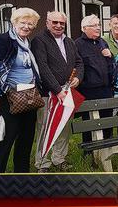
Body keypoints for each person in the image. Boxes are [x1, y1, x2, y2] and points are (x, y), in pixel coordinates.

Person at [0, 7, 41, 173]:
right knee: (7, 138)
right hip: (9, 97)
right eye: (23, 23)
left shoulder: (27, 42)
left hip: (29, 95)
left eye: (30, 24)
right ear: (14, 22)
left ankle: (22, 175)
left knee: (26, 139)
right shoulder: (2, 40)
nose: (27, 27)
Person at [31, 10, 84, 173]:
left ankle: (59, 158)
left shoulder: (69, 41)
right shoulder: (39, 40)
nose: (58, 25)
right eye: (55, 22)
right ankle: (42, 162)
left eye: (62, 23)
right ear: (47, 23)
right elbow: (43, 67)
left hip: (67, 92)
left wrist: (78, 78)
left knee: (64, 127)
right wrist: (57, 90)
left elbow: (79, 62)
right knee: (45, 127)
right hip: (49, 93)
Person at [75, 14, 114, 142]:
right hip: (89, 91)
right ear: (84, 28)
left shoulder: (102, 42)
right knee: (89, 124)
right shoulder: (78, 44)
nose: (98, 28)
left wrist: (110, 56)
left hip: (106, 89)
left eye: (99, 25)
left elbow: (111, 65)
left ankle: (107, 148)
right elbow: (77, 67)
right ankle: (89, 153)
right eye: (94, 25)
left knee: (107, 122)